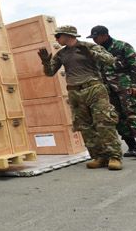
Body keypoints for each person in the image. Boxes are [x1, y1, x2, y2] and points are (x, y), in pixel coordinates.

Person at [38, 25, 123, 170]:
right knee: (85, 127)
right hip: (75, 92)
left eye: (58, 36)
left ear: (68, 35)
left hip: (94, 89)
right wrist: (46, 61)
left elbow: (110, 60)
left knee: (104, 123)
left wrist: (91, 53)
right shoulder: (61, 54)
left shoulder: (88, 47)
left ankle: (114, 156)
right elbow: (50, 72)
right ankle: (98, 156)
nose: (56, 39)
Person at [88, 25, 136, 159]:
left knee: (133, 114)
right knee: (117, 117)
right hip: (108, 89)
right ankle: (132, 147)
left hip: (126, 87)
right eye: (93, 38)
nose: (94, 40)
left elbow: (135, 65)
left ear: (104, 35)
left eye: (96, 37)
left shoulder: (122, 46)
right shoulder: (98, 51)